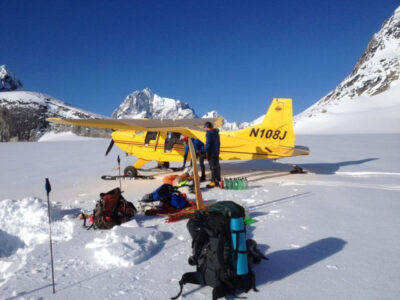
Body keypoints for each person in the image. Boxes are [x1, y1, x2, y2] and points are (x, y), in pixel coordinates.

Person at [204, 121, 221, 188]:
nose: (205, 129)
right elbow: (219, 143)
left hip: (211, 152)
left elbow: (208, 143)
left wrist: (206, 152)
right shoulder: (216, 133)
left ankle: (213, 181)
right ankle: (218, 179)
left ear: (207, 127)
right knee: (217, 166)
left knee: (212, 167)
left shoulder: (209, 133)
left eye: (205, 127)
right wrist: (218, 150)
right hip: (216, 152)